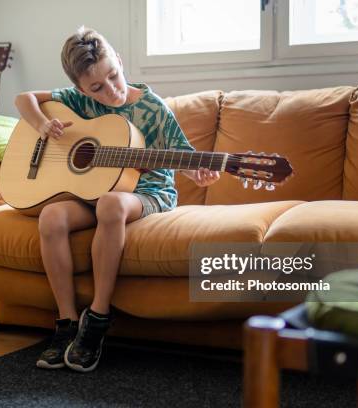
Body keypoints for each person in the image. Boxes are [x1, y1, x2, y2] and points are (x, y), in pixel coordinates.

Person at [14, 27, 220, 373]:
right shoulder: (79, 101)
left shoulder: (152, 109)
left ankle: (97, 317)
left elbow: (183, 156)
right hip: (90, 192)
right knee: (51, 216)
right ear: (81, 89)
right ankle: (66, 322)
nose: (111, 90)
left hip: (146, 193)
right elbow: (24, 98)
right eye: (97, 87)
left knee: (111, 202)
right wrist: (43, 124)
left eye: (114, 75)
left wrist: (199, 170)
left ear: (120, 62)